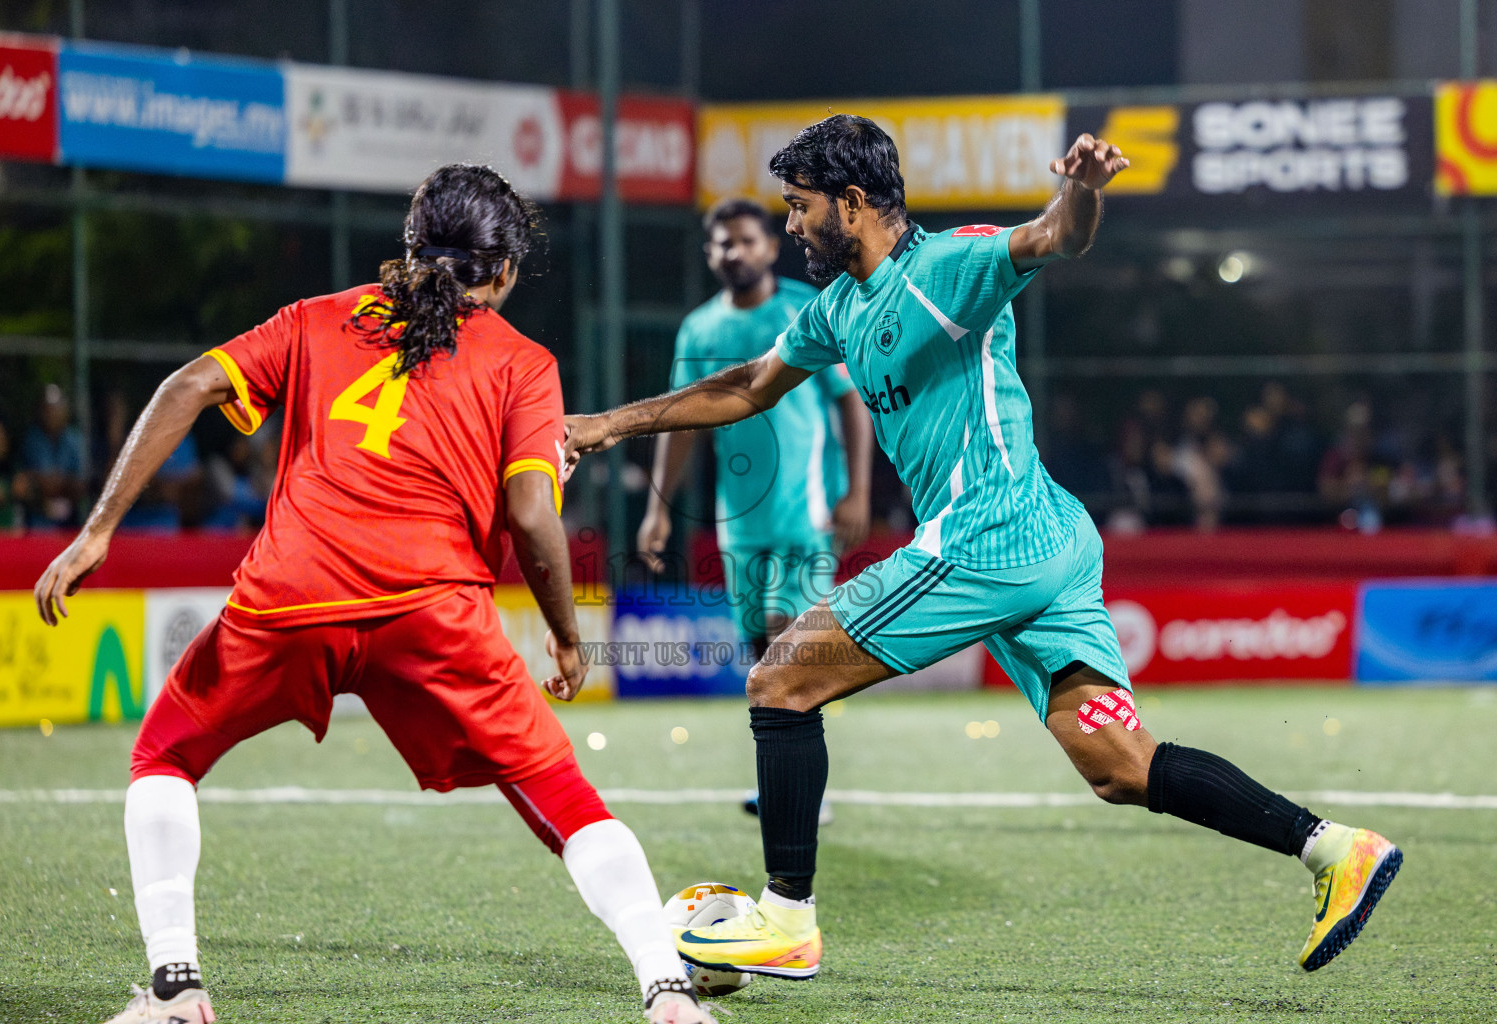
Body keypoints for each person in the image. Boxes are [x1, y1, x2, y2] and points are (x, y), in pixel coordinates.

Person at [565, 118, 1400, 982]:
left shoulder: (947, 267)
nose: (791, 227)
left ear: (852, 205)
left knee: (782, 676)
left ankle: (786, 917)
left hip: (985, 537)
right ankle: (1334, 848)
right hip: (1049, 539)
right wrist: (602, 427)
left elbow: (1052, 238)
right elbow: (745, 385)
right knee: (1119, 765)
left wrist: (1080, 189)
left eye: (800, 207)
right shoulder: (838, 308)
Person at [34, 164, 715, 1024]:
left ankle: (175, 990)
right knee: (566, 800)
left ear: (408, 245)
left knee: (164, 757)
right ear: (503, 271)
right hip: (434, 613)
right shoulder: (524, 364)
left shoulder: (317, 319)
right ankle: (667, 991)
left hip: (290, 596)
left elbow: (188, 386)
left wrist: (99, 529)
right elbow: (533, 513)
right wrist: (567, 634)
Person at [639, 198, 873, 658]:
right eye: (725, 244)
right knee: (758, 646)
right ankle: (786, 729)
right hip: (741, 515)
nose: (736, 253)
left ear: (769, 248)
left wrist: (858, 490)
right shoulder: (698, 329)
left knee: (785, 632)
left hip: (807, 506)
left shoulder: (805, 311)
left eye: (747, 242)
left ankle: (798, 726)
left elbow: (851, 399)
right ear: (710, 253)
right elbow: (683, 423)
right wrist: (658, 508)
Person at [17, 383, 85, 528]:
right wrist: (47, 482)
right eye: (47, 409)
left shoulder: (75, 439)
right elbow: (36, 482)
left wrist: (59, 483)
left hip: (71, 515)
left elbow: (81, 482)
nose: (52, 413)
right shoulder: (32, 439)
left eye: (56, 408)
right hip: (38, 516)